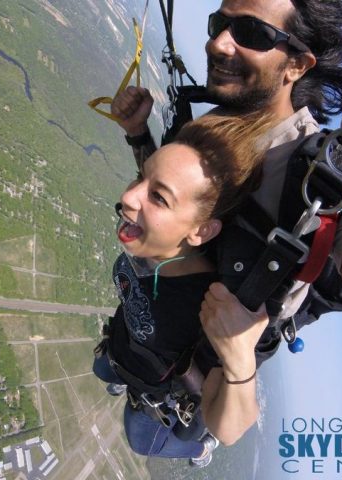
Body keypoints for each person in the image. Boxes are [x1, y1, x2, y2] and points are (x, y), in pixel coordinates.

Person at [110, 1, 342, 478]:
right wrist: (139, 136)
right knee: (112, 367)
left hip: (191, 390)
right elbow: (171, 210)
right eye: (219, 23)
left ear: (297, 63)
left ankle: (190, 448)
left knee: (141, 434)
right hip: (142, 329)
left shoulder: (328, 182)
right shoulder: (213, 126)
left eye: (249, 31)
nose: (218, 42)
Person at [94, 113, 274, 467]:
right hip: (120, 347)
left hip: (154, 393)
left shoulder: (206, 306)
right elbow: (165, 185)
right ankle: (117, 375)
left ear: (201, 232)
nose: (128, 197)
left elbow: (230, 428)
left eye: (158, 198)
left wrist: (240, 361)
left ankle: (197, 450)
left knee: (141, 440)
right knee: (101, 369)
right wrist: (137, 132)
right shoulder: (151, 243)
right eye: (139, 179)